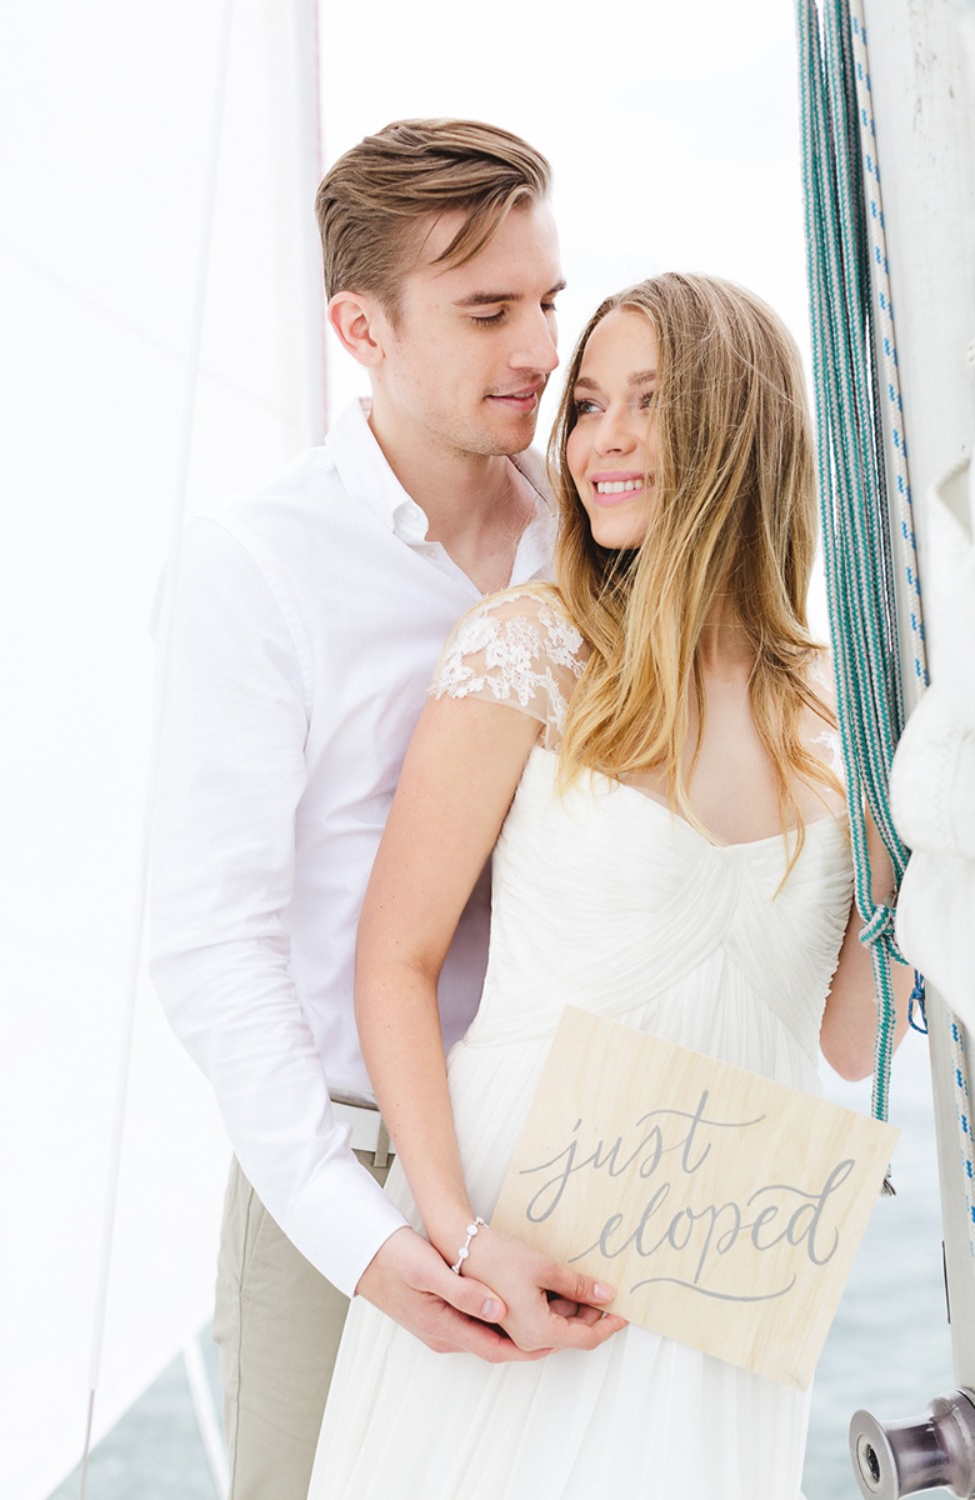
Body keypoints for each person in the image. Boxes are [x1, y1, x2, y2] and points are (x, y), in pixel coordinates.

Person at [305, 273, 913, 1499]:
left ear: (742, 427)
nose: (603, 440)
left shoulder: (838, 713)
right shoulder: (529, 646)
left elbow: (846, 1044)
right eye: (586, 405)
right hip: (516, 1230)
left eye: (649, 401)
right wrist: (457, 1234)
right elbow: (398, 958)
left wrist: (914, 838)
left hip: (721, 1281)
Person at [148, 118, 622, 1500]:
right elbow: (209, 942)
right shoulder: (256, 570)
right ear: (359, 326)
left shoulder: (598, 537)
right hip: (347, 1180)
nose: (541, 348)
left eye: (547, 300)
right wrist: (357, 1237)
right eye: (488, 311)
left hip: (583, 1159)